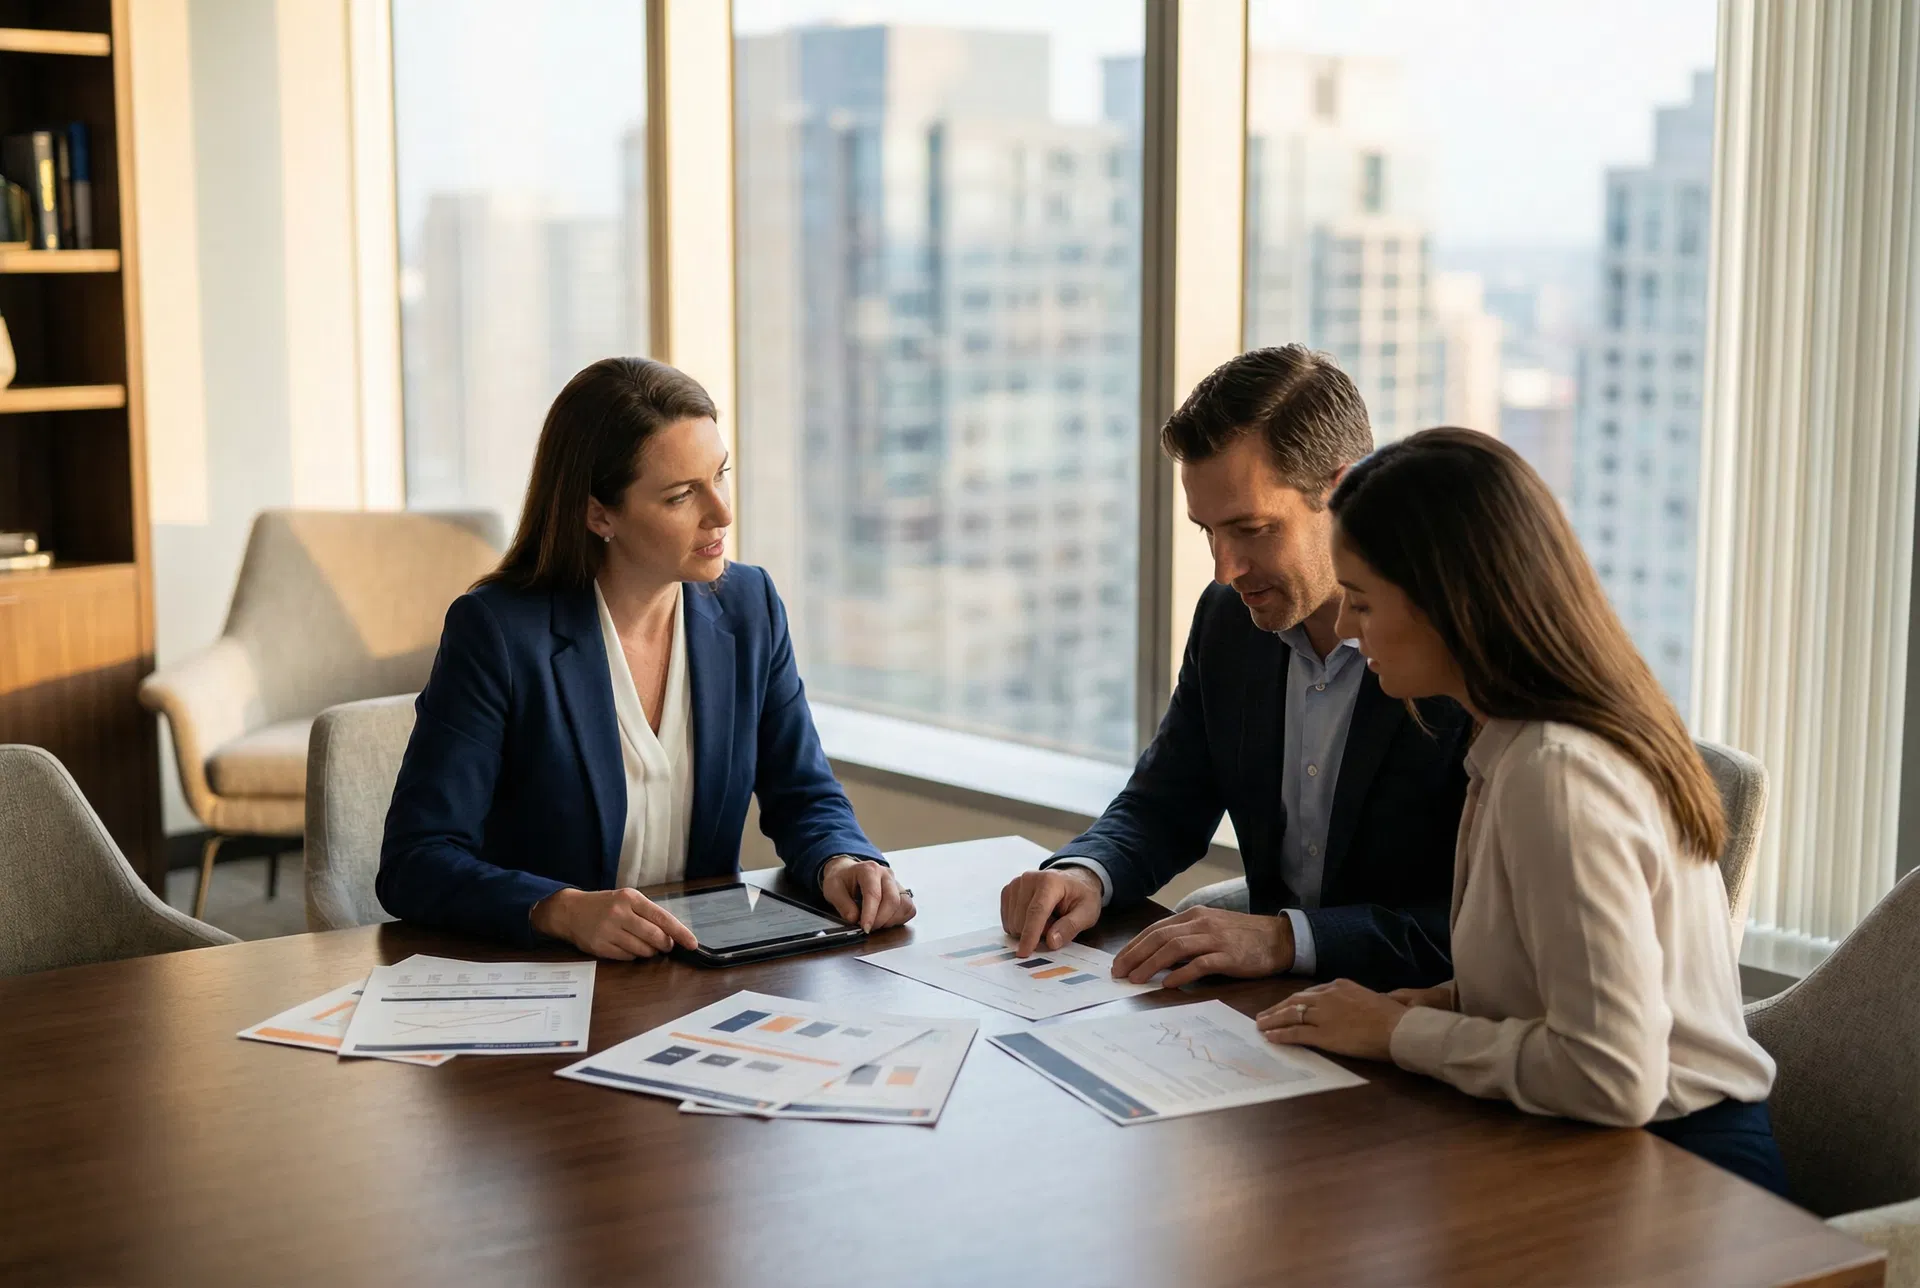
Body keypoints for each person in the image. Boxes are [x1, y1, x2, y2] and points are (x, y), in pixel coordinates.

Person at [1258, 427, 1786, 1196]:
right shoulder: (1513, 742)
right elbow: (1561, 988)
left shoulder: (1556, 774)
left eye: (1363, 603)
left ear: (1449, 605)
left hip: (1680, 1176)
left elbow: (1612, 1076)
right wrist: (1439, 1003)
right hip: (1599, 1142)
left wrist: (1403, 1033)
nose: (1343, 627)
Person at [378, 357, 914, 958]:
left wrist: (842, 859)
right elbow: (416, 860)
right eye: (682, 495)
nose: (722, 512)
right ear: (599, 513)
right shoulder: (498, 632)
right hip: (552, 982)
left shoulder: (750, 606)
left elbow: (804, 794)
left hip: (698, 976)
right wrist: (556, 909)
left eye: (721, 474)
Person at [999, 346, 1473, 992]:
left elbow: (1480, 930)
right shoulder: (1229, 621)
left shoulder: (1453, 652)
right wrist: (1086, 873)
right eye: (1208, 533)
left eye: (1251, 530)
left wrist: (1286, 938)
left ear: (1346, 491)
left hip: (1411, 1010)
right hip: (1276, 1012)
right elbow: (1167, 800)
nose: (1225, 570)